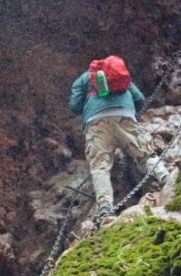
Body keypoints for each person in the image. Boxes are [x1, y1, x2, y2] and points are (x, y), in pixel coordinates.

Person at [68, 55, 169, 220]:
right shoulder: (119, 73)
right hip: (124, 115)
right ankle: (166, 177)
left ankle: (105, 209)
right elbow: (140, 99)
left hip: (96, 123)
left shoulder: (83, 79)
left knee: (100, 167)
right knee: (143, 154)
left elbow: (74, 106)